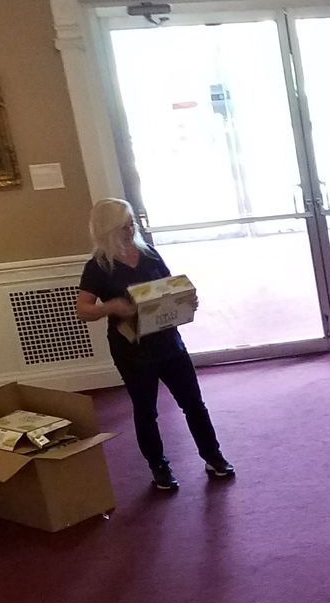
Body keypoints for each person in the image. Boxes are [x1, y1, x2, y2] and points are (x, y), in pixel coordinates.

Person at [76, 199, 233, 493]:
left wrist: (186, 301)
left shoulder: (149, 254)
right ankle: (158, 466)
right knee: (146, 410)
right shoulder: (98, 266)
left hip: (168, 342)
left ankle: (213, 456)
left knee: (193, 403)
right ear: (107, 229)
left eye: (131, 223)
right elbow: (83, 310)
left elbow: (168, 289)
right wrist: (111, 306)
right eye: (123, 226)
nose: (130, 229)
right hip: (132, 350)